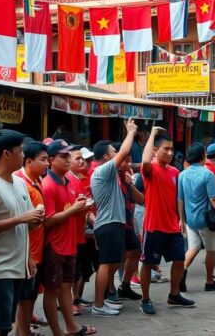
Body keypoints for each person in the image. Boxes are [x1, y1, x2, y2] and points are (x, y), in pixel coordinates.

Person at [0, 130, 44, 336]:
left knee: (3, 325)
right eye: (20, 151)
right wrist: (21, 219)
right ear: (6, 154)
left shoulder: (19, 182)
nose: (23, 155)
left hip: (15, 265)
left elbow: (27, 223)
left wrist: (28, 255)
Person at [41, 140, 95, 336]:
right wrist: (74, 209)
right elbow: (47, 220)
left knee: (65, 288)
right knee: (52, 290)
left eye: (68, 156)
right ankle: (57, 331)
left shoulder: (72, 181)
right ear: (51, 160)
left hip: (71, 243)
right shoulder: (46, 185)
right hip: (54, 246)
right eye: (64, 157)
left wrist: (83, 209)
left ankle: (71, 326)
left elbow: (76, 211)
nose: (68, 160)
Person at [140, 128, 195, 315]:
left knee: (179, 259)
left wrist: (181, 220)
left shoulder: (174, 171)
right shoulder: (150, 169)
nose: (170, 153)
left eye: (172, 150)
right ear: (155, 150)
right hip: (153, 226)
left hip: (172, 226)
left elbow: (177, 198)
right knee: (148, 264)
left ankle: (174, 294)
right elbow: (146, 161)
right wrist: (152, 134)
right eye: (166, 149)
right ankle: (145, 299)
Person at [89, 121, 139, 316]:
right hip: (107, 224)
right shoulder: (102, 171)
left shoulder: (110, 174)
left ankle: (103, 301)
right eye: (113, 151)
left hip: (113, 223)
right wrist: (131, 132)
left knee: (111, 263)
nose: (117, 153)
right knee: (106, 264)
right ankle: (98, 305)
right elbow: (125, 149)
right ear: (105, 157)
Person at [178, 142, 215, 292]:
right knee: (211, 250)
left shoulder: (182, 174)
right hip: (206, 219)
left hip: (190, 219)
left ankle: (180, 273)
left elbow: (180, 199)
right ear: (202, 156)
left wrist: (182, 219)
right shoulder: (207, 174)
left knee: (193, 248)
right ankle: (209, 281)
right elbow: (214, 198)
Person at [13, 141, 49, 336]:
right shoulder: (20, 183)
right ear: (28, 161)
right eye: (43, 160)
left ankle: (23, 331)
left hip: (36, 249)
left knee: (29, 297)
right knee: (24, 298)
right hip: (26, 253)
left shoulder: (36, 180)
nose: (47, 164)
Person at [113, 144, 144, 302]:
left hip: (128, 222)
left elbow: (141, 200)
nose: (127, 164)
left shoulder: (125, 177)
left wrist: (130, 184)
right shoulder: (109, 176)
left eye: (130, 161)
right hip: (115, 223)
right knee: (113, 260)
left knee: (136, 252)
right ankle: (108, 291)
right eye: (124, 161)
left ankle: (124, 286)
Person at [68, 149, 97, 309]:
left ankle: (76, 297)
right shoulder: (66, 179)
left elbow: (86, 207)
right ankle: (71, 301)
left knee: (83, 268)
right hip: (72, 233)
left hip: (82, 231)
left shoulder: (79, 178)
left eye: (85, 159)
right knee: (72, 270)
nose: (83, 162)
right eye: (78, 159)